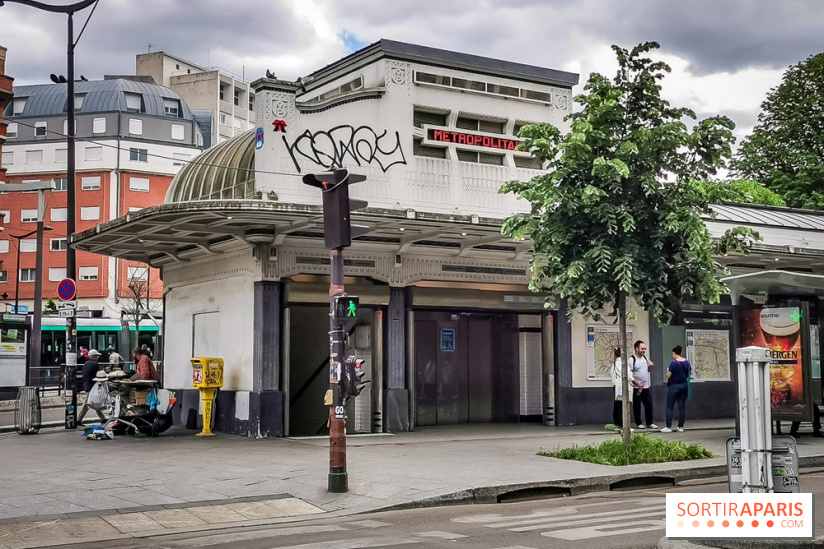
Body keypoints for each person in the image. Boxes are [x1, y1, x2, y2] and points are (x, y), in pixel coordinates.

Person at [662, 345, 691, 433]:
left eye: (673, 354)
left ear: (674, 354)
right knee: (681, 407)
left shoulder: (673, 363)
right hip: (684, 385)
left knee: (670, 406)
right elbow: (689, 372)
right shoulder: (687, 362)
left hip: (674, 386)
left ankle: (668, 426)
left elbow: (669, 375)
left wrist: (667, 372)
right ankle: (680, 426)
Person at [631, 339, 658, 429]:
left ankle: (649, 422)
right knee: (637, 405)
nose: (644, 350)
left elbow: (648, 369)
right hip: (636, 387)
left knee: (649, 404)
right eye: (642, 349)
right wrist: (636, 383)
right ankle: (639, 423)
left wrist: (651, 365)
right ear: (636, 349)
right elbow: (629, 374)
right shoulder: (632, 359)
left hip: (645, 386)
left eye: (645, 349)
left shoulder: (645, 358)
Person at [78, 351, 106, 425]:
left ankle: (103, 418)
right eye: (97, 356)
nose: (98, 357)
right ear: (94, 356)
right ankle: (78, 419)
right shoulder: (95, 364)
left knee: (94, 401)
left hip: (87, 384)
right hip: (92, 386)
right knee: (88, 403)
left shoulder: (86, 363)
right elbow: (97, 375)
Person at [611, 347, 635, 428]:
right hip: (622, 386)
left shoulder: (613, 364)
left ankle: (616, 423)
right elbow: (628, 375)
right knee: (623, 405)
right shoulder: (623, 363)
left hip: (616, 385)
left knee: (617, 405)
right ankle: (623, 424)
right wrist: (634, 381)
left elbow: (612, 375)